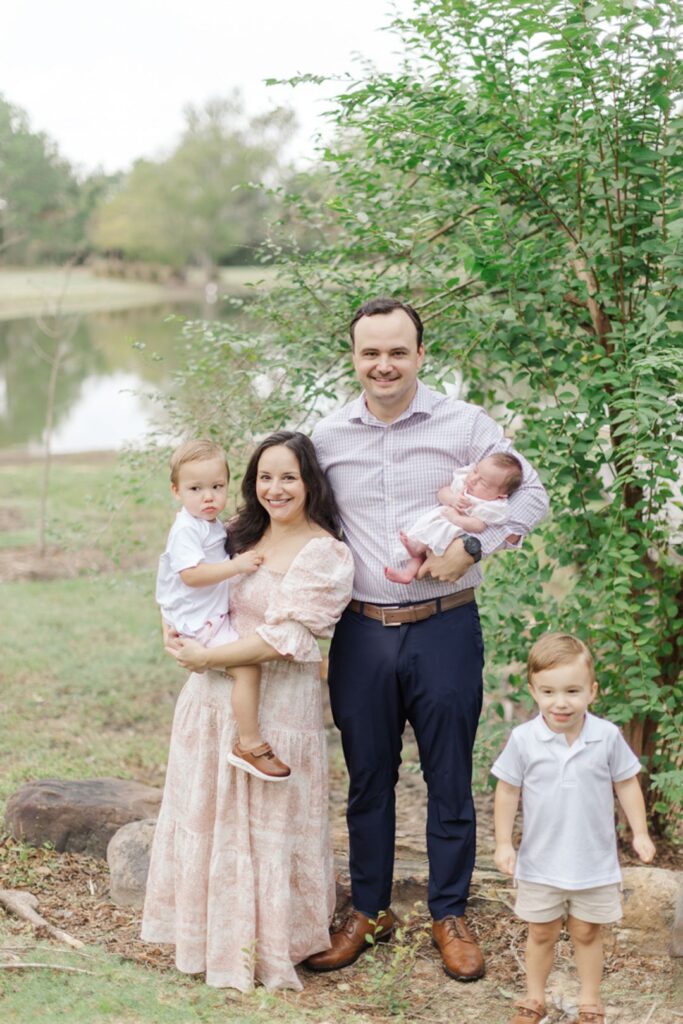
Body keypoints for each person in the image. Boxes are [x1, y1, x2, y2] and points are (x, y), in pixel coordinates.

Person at [307, 296, 549, 981]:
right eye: (369, 352)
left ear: (420, 354)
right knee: (367, 779)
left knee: (447, 777)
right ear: (353, 357)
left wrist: (472, 545)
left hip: (443, 624)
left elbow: (531, 498)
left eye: (396, 351)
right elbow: (290, 509)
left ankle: (449, 912)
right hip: (361, 632)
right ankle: (369, 911)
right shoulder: (326, 436)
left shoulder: (466, 425)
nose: (383, 365)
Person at [141, 432, 355, 992]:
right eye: (265, 477)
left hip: (278, 709)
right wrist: (172, 626)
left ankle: (268, 946)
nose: (275, 488)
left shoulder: (327, 553)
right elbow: (184, 582)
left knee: (267, 826)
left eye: (288, 477)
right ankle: (208, 941)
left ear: (311, 481)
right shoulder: (234, 532)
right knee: (210, 819)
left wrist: (209, 654)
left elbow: (282, 638)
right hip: (211, 703)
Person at [492, 632, 656, 1024]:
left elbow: (627, 783)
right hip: (540, 862)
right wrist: (503, 843)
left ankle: (589, 1002)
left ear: (592, 691)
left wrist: (641, 832)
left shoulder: (606, 737)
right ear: (533, 690)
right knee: (541, 932)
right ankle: (534, 998)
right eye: (548, 691)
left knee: (586, 932)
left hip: (593, 862)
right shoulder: (524, 739)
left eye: (572, 690)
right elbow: (507, 790)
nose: (560, 702)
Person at [155, 438, 289, 781]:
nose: (209, 497)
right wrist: (237, 567)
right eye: (195, 488)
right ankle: (249, 743)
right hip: (198, 623)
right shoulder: (186, 528)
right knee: (247, 669)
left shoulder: (210, 524)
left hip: (206, 617)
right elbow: (190, 575)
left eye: (217, 486)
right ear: (176, 491)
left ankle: (245, 738)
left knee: (247, 668)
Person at [385, 453, 522, 584]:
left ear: (500, 496)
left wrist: (456, 519)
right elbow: (442, 493)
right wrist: (452, 499)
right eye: (475, 471)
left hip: (454, 535)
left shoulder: (491, 506)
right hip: (438, 523)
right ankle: (407, 573)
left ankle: (417, 549)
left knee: (437, 537)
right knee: (423, 546)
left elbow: (479, 525)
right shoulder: (463, 483)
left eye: (483, 483)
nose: (473, 480)